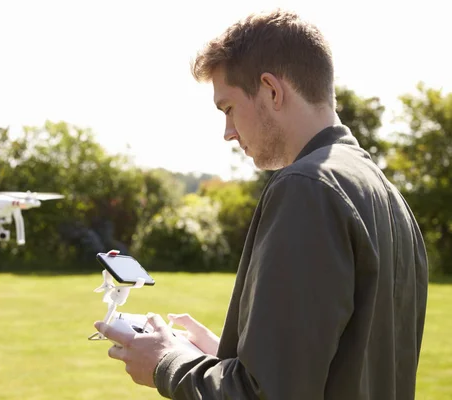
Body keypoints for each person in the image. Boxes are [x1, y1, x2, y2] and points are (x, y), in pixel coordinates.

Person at [93, 8, 429, 399]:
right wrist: (223, 358)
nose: (228, 132)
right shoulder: (389, 197)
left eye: (228, 108)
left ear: (271, 90)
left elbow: (265, 394)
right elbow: (324, 370)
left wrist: (167, 362)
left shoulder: (307, 187)